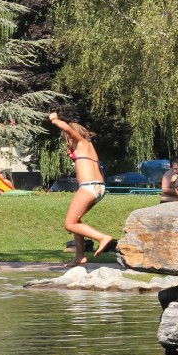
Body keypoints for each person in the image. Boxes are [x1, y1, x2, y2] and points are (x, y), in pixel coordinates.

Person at [49, 112, 114, 265]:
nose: (66, 142)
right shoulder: (86, 146)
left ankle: (102, 237)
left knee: (69, 224)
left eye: (66, 138)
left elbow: (65, 127)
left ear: (71, 135)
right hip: (98, 188)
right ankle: (80, 256)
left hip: (88, 187)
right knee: (76, 221)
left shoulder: (81, 141)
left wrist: (54, 119)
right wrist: (72, 155)